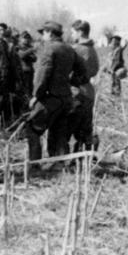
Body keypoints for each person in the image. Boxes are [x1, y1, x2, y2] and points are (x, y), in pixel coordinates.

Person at [26, 21, 87, 165]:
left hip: (50, 98)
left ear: (50, 33)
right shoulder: (70, 49)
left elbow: (42, 76)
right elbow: (83, 72)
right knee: (59, 132)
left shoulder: (48, 49)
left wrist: (36, 96)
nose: (42, 36)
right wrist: (71, 83)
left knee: (33, 128)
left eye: (44, 33)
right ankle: (59, 164)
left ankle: (34, 165)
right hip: (66, 98)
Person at [68, 20, 100, 152]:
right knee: (86, 126)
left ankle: (77, 157)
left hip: (78, 92)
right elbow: (95, 69)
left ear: (80, 32)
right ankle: (87, 155)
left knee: (73, 126)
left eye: (72, 32)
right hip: (88, 91)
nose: (71, 35)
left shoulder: (78, 50)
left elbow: (70, 72)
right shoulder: (92, 49)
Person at [17, 31, 37, 97]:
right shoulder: (18, 47)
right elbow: (21, 55)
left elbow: (34, 58)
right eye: (24, 38)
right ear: (20, 39)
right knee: (24, 90)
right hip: (23, 72)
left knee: (30, 89)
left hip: (30, 71)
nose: (26, 40)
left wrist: (29, 52)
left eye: (28, 38)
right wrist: (30, 50)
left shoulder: (28, 47)